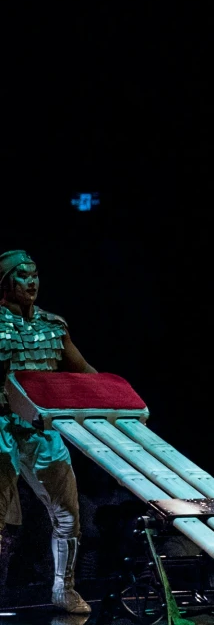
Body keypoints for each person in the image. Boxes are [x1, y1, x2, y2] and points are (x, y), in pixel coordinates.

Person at [0, 250, 97, 614]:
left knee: (68, 512)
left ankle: (63, 589)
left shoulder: (52, 326)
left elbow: (83, 371)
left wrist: (115, 396)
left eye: (35, 274)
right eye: (22, 275)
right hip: (2, 424)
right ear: (5, 283)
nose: (31, 282)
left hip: (43, 428)